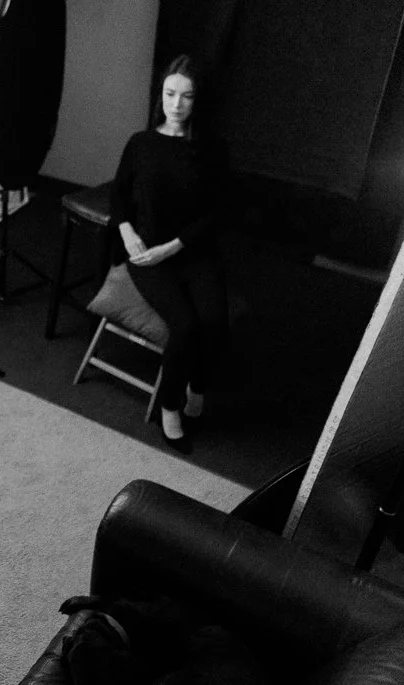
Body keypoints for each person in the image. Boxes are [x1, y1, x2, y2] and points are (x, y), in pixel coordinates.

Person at [107, 54, 230, 454]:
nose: (176, 105)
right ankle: (170, 405)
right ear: (160, 95)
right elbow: (118, 193)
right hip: (146, 254)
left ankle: (198, 381)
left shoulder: (211, 150)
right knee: (186, 326)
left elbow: (218, 212)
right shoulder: (141, 144)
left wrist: (175, 247)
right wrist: (126, 232)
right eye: (170, 94)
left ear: (199, 101)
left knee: (214, 321)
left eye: (187, 97)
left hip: (190, 250)